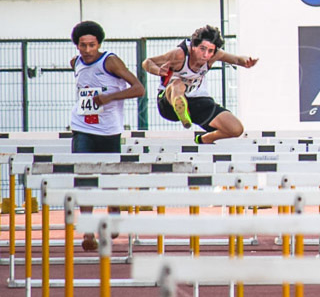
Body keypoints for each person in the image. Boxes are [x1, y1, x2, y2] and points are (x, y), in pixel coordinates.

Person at [69, 21, 145, 251]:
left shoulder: (110, 61)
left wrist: (109, 97)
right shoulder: (75, 63)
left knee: (110, 179)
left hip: (109, 129)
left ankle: (113, 213)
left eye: (92, 45)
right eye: (83, 45)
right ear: (77, 46)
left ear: (99, 44)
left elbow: (139, 88)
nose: (88, 50)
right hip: (83, 127)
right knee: (84, 178)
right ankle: (89, 230)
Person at [142, 25, 257, 144]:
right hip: (168, 103)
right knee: (178, 83)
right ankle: (180, 107)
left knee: (236, 129)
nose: (206, 55)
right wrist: (158, 71)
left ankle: (205, 138)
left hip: (196, 101)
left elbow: (237, 59)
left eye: (210, 51)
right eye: (202, 49)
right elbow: (147, 62)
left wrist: (247, 61)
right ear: (193, 46)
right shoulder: (179, 55)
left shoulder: (215, 55)